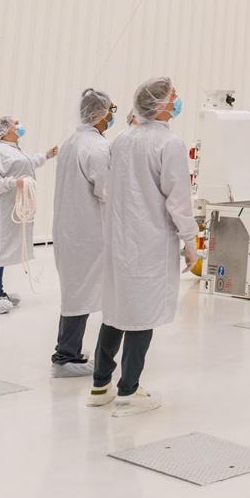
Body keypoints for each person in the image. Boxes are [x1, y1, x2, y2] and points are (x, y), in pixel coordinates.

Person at [90, 75, 198, 412]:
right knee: (142, 314)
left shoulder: (123, 139)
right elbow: (177, 197)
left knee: (116, 308)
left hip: (120, 237)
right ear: (161, 103)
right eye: (174, 95)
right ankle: (128, 391)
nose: (178, 99)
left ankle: (99, 385)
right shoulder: (170, 144)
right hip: (150, 240)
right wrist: (190, 238)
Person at [49, 88, 115, 376]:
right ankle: (66, 358)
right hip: (87, 232)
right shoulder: (96, 147)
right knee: (81, 292)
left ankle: (68, 350)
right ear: (99, 113)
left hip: (70, 229)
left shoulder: (74, 141)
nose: (112, 115)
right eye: (111, 109)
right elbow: (106, 189)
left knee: (75, 291)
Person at [0, 115, 52, 314]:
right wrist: (14, 183)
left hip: (12, 206)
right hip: (1, 207)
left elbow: (26, 164)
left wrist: (46, 155)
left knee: (4, 250)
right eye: (16, 123)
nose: (20, 126)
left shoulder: (14, 149)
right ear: (6, 130)